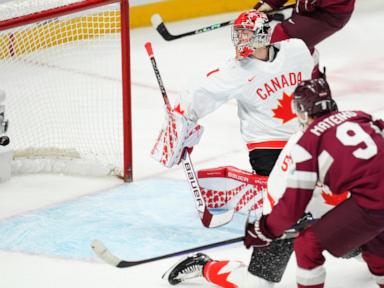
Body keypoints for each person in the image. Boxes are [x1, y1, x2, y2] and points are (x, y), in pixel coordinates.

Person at [153, 9, 317, 288]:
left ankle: (281, 203)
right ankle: (208, 264)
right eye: (238, 36)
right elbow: (193, 99)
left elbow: (316, 77)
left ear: (265, 36)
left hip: (305, 139)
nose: (240, 42)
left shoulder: (297, 50)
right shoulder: (234, 71)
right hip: (269, 148)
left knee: (339, 213)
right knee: (290, 220)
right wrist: (177, 134)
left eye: (247, 36)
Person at [243, 77, 384, 288]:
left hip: (352, 212)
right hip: (298, 218)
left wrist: (263, 229)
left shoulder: (307, 143)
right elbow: (281, 200)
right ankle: (206, 269)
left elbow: (291, 205)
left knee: (310, 245)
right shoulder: (359, 117)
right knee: (257, 283)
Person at [254, 0, 355, 78]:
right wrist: (269, 3)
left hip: (330, 13)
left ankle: (309, 85)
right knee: (297, 46)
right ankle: (313, 83)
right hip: (306, 10)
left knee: (284, 39)